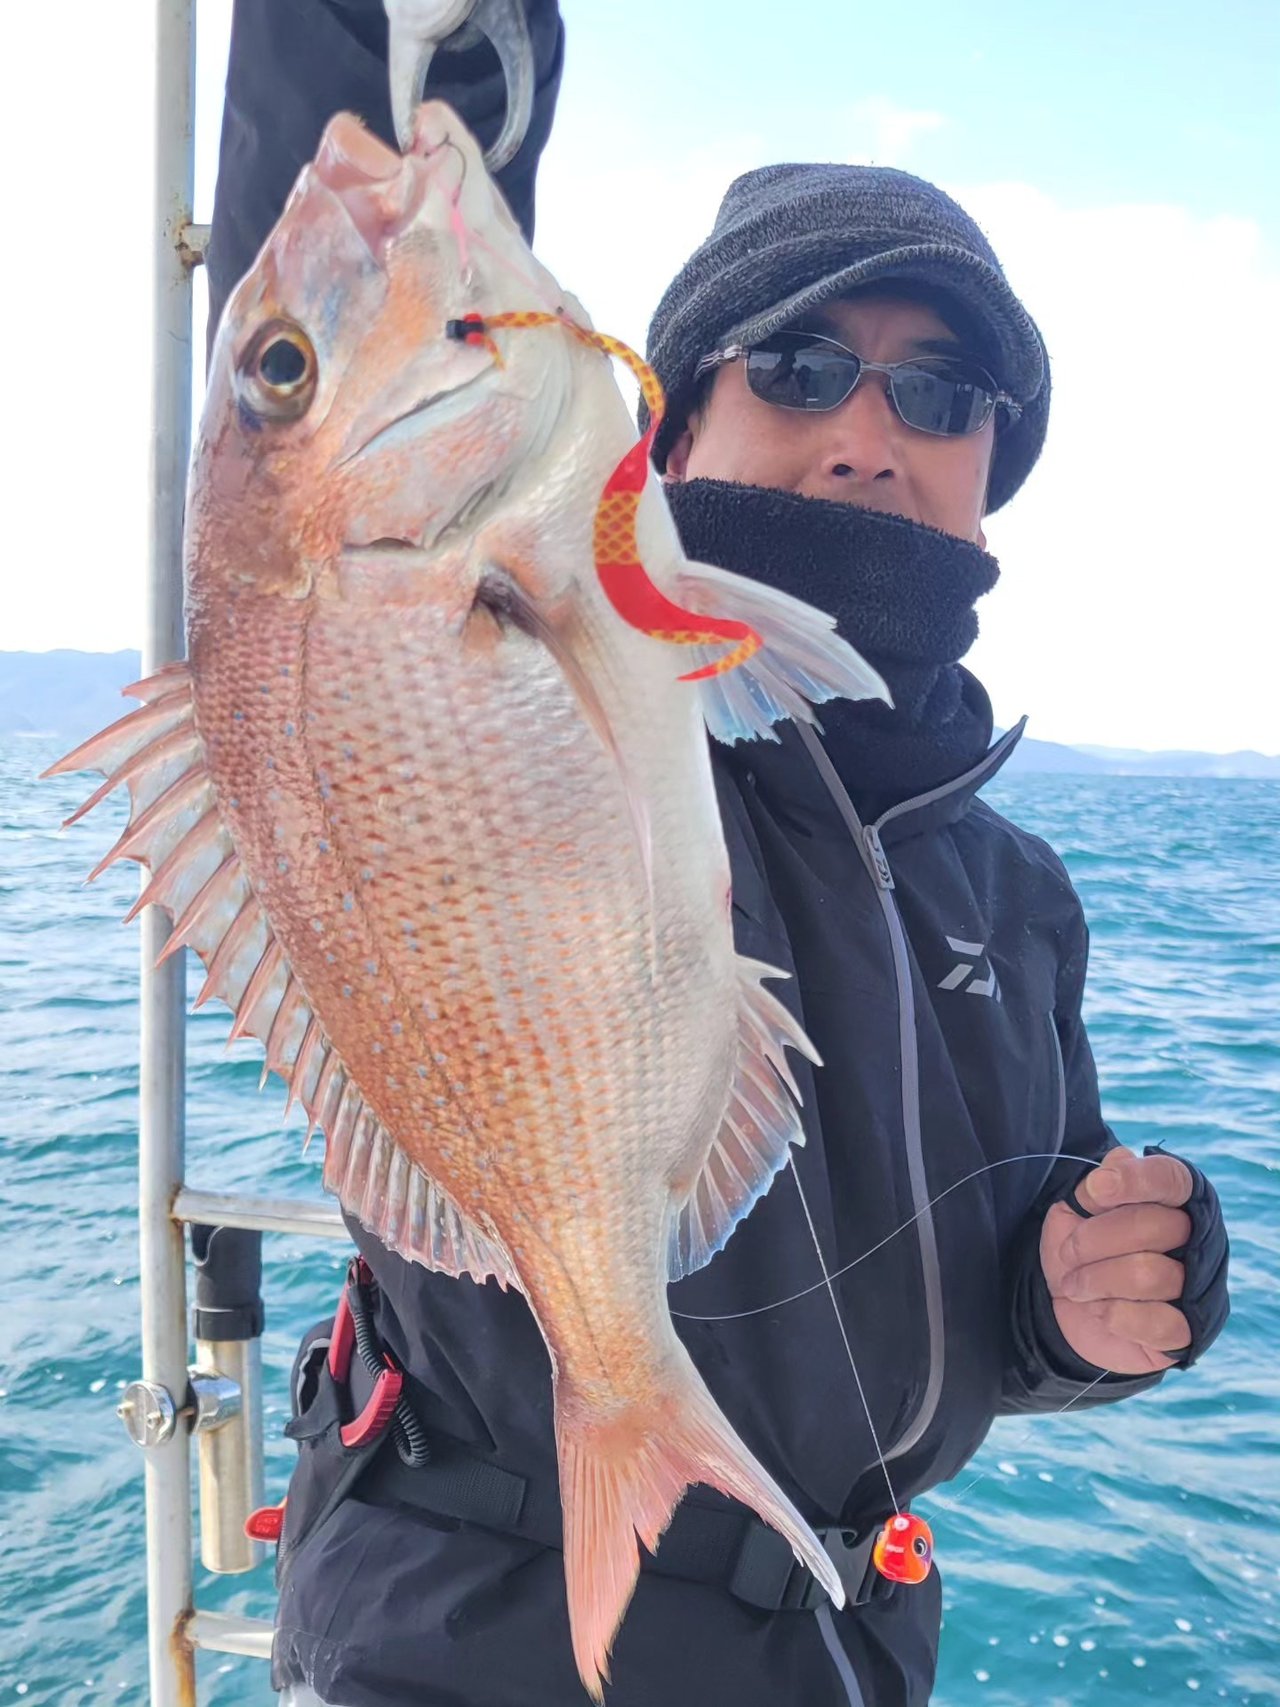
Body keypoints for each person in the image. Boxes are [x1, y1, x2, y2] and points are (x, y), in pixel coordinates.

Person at [206, 5, 1231, 1704]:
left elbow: (993, 1308)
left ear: (993, 467)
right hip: (457, 1639)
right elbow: (304, 373)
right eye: (802, 368)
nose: (869, 431)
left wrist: (1085, 1309)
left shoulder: (1018, 895)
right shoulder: (602, 666)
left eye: (941, 392)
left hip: (840, 1643)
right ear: (664, 437)